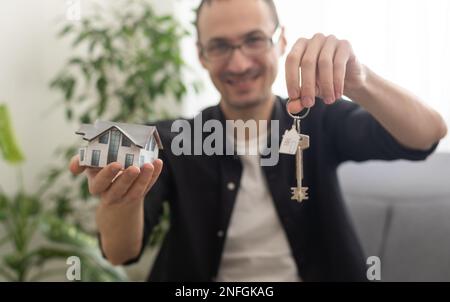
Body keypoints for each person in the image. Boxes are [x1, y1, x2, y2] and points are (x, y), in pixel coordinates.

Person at [69, 0, 447, 281]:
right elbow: (120, 253)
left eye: (253, 40)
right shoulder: (172, 139)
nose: (238, 63)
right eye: (219, 46)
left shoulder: (318, 121)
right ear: (201, 56)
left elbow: (426, 137)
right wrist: (121, 199)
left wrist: (360, 81)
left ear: (280, 42)